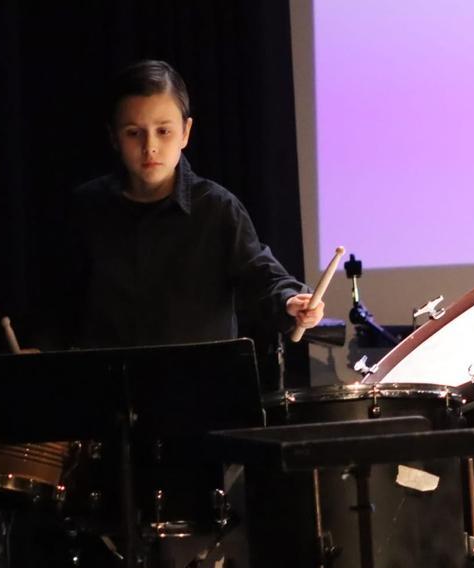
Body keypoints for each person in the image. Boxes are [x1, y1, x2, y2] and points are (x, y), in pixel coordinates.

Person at [33, 59, 323, 350]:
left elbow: (262, 277)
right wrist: (41, 348)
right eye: (133, 132)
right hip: (109, 377)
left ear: (185, 132)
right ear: (113, 136)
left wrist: (291, 300)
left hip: (201, 377)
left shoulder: (217, 208)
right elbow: (59, 302)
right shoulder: (86, 208)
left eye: (163, 131)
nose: (150, 147)